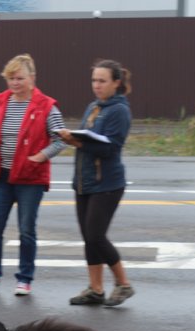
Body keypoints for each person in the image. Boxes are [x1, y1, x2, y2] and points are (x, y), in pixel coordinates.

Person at [0, 54, 66, 297]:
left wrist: (39, 157)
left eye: (20, 78)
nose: (14, 83)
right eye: (10, 78)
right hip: (1, 176)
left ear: (32, 78)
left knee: (26, 230)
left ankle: (25, 279)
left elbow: (60, 139)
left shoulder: (47, 106)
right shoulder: (0, 103)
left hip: (30, 179)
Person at [58, 59, 135, 307]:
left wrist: (77, 141)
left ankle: (123, 284)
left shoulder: (119, 111)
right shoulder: (93, 107)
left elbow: (110, 148)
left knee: (96, 235)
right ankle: (95, 289)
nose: (97, 85)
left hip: (107, 184)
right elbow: (89, 139)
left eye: (102, 81)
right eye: (94, 80)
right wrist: (72, 139)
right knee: (88, 237)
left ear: (116, 83)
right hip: (85, 182)